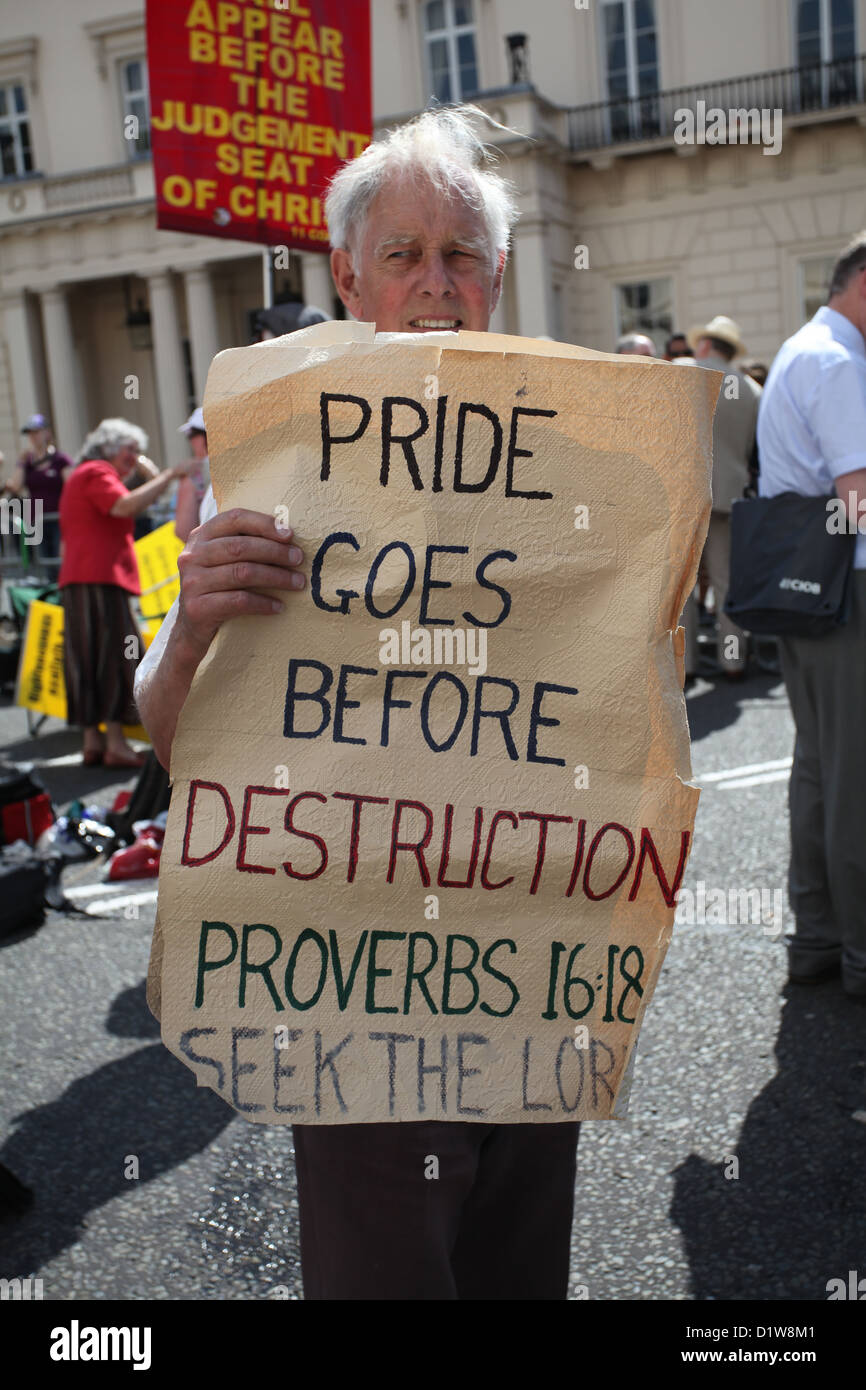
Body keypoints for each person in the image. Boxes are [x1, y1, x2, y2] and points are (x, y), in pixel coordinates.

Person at [134, 105, 582, 1302]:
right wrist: (193, 631)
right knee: (385, 1267)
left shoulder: (578, 458)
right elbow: (180, 742)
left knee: (519, 1264)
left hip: (535, 958)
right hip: (358, 976)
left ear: (497, 274)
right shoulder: (275, 456)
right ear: (346, 274)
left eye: (459, 257)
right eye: (402, 255)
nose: (435, 286)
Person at [756, 231, 866, 998]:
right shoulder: (838, 363)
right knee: (852, 779)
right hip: (849, 588)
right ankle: (860, 953)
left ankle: (820, 938)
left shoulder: (805, 348)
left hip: (808, 587)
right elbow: (858, 495)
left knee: (821, 773)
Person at [59, 418, 191, 769]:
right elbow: (125, 506)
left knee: (88, 657)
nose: (135, 456)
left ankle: (94, 741)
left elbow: (128, 497)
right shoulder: (96, 472)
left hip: (83, 579)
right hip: (99, 578)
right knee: (116, 654)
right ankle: (114, 743)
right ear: (109, 447)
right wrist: (168, 474)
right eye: (130, 449)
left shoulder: (86, 474)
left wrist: (152, 477)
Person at [683, 316, 761, 681]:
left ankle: (685, 665)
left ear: (704, 345)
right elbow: (750, 449)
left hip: (683, 491)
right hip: (729, 491)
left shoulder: (683, 371)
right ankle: (733, 660)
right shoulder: (749, 388)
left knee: (681, 586)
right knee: (726, 581)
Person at [5, 413, 74, 570]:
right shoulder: (28, 462)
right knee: (42, 566)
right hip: (36, 521)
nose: (33, 437)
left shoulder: (60, 459)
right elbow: (16, 486)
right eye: (30, 433)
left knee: (60, 562)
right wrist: (21, 463)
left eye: (36, 432)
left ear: (47, 433)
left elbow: (71, 487)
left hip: (57, 518)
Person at [174, 407, 212, 544]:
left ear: (203, 437)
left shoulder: (194, 473)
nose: (190, 441)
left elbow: (184, 530)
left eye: (191, 435)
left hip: (214, 553)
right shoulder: (246, 463)